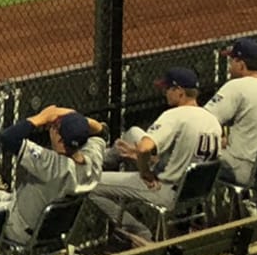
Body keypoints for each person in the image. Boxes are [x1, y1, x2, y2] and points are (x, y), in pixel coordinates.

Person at [90, 67, 221, 240]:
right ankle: (101, 158)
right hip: (195, 193)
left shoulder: (175, 115)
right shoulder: (212, 120)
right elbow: (184, 155)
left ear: (179, 92)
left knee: (90, 183)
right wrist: (141, 157)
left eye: (167, 89)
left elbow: (145, 147)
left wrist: (145, 171)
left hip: (165, 191)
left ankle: (139, 232)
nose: (164, 93)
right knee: (134, 134)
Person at [0, 106, 107, 251]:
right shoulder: (93, 162)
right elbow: (102, 131)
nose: (51, 128)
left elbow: (8, 137)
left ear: (60, 140)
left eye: (55, 127)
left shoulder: (51, 165)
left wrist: (42, 118)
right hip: (50, 231)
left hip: (19, 227)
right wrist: (76, 122)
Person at [204, 38, 257, 187]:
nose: (230, 66)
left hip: (244, 170)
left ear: (241, 65)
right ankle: (246, 204)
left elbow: (201, 121)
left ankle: (186, 209)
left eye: (232, 61)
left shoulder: (237, 86)